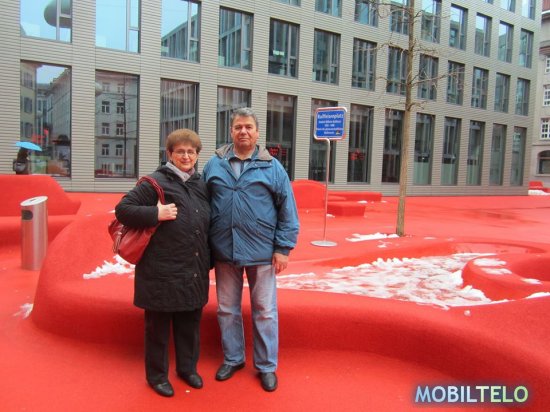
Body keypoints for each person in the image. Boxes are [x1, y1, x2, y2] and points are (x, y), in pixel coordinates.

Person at [203, 107, 299, 392]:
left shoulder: (272, 167)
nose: (243, 131)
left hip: (262, 251)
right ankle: (233, 359)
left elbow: (288, 210)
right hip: (225, 250)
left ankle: (266, 366)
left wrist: (283, 248)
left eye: (248, 127)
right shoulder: (214, 165)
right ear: (231, 131)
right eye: (238, 127)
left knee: (265, 311)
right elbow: (202, 205)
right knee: (226, 309)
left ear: (257, 133)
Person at [115, 129, 211, 397]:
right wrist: (155, 213)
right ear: (169, 153)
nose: (186, 156)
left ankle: (187, 369)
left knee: (189, 323)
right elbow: (123, 210)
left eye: (191, 151)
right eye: (180, 151)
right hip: (160, 270)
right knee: (157, 327)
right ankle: (157, 376)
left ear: (197, 155)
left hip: (193, 268)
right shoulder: (154, 182)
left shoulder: (201, 184)